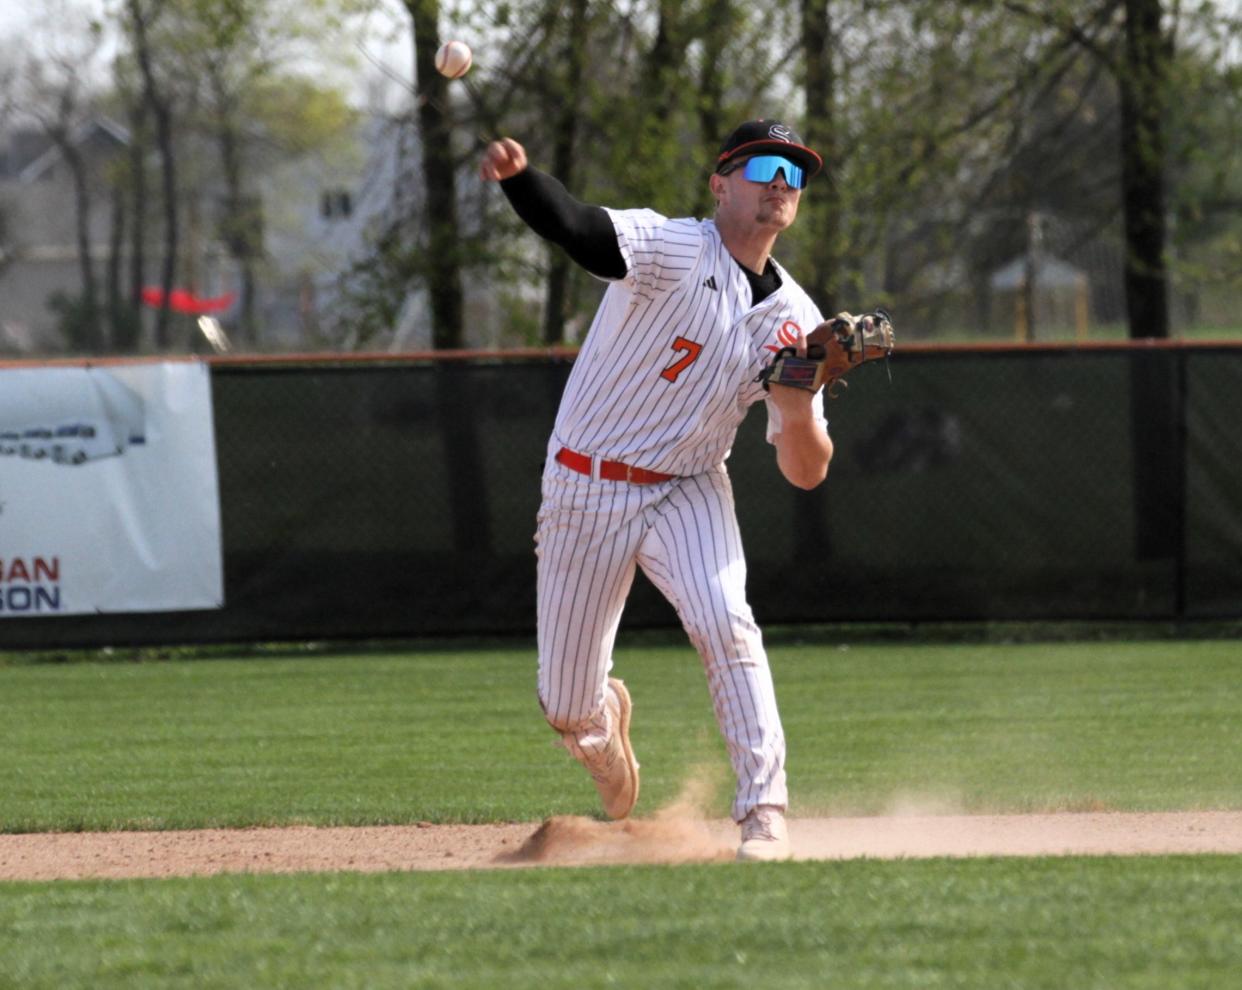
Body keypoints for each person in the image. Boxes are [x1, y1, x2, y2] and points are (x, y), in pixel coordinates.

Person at [480, 119, 836, 861]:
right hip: (586, 483)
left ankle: (763, 811)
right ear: (720, 181)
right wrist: (521, 183)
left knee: (726, 621)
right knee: (566, 706)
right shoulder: (674, 247)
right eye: (766, 165)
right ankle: (602, 729)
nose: (780, 183)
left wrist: (799, 404)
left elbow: (806, 472)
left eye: (795, 174)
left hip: (690, 487)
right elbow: (577, 228)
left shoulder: (798, 322)